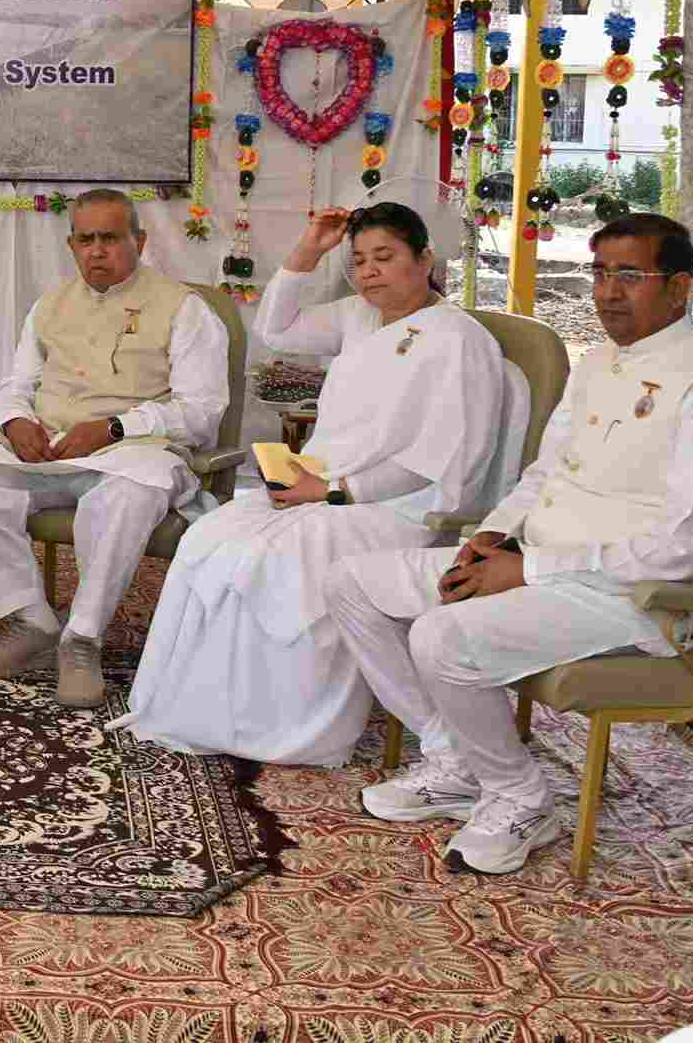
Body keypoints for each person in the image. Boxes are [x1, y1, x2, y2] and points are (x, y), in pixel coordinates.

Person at [329, 213, 693, 875]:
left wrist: (526, 569)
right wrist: (491, 534)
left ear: (679, 286)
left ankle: (521, 796)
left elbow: (682, 547)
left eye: (630, 275)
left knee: (441, 636)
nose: (608, 292)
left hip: (637, 597)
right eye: (600, 273)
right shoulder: (598, 360)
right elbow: (544, 473)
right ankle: (456, 758)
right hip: (543, 565)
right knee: (352, 582)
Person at [119, 203, 522, 764]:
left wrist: (338, 491)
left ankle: (279, 724)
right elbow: (275, 329)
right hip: (324, 485)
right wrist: (309, 248)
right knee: (210, 535)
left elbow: (435, 460)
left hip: (397, 507)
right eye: (359, 261)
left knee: (271, 557)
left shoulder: (458, 339)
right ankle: (200, 709)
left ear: (425, 259)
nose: (369, 272)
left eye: (385, 257)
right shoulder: (359, 315)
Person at [0, 189, 230, 704]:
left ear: (139, 241)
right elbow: (16, 384)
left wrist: (115, 428)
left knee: (132, 491)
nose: (97, 250)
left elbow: (202, 410)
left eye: (110, 238)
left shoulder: (185, 308)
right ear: (71, 245)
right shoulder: (49, 305)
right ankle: (30, 620)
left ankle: (82, 639)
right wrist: (14, 421)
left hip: (131, 454)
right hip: (52, 449)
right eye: (86, 239)